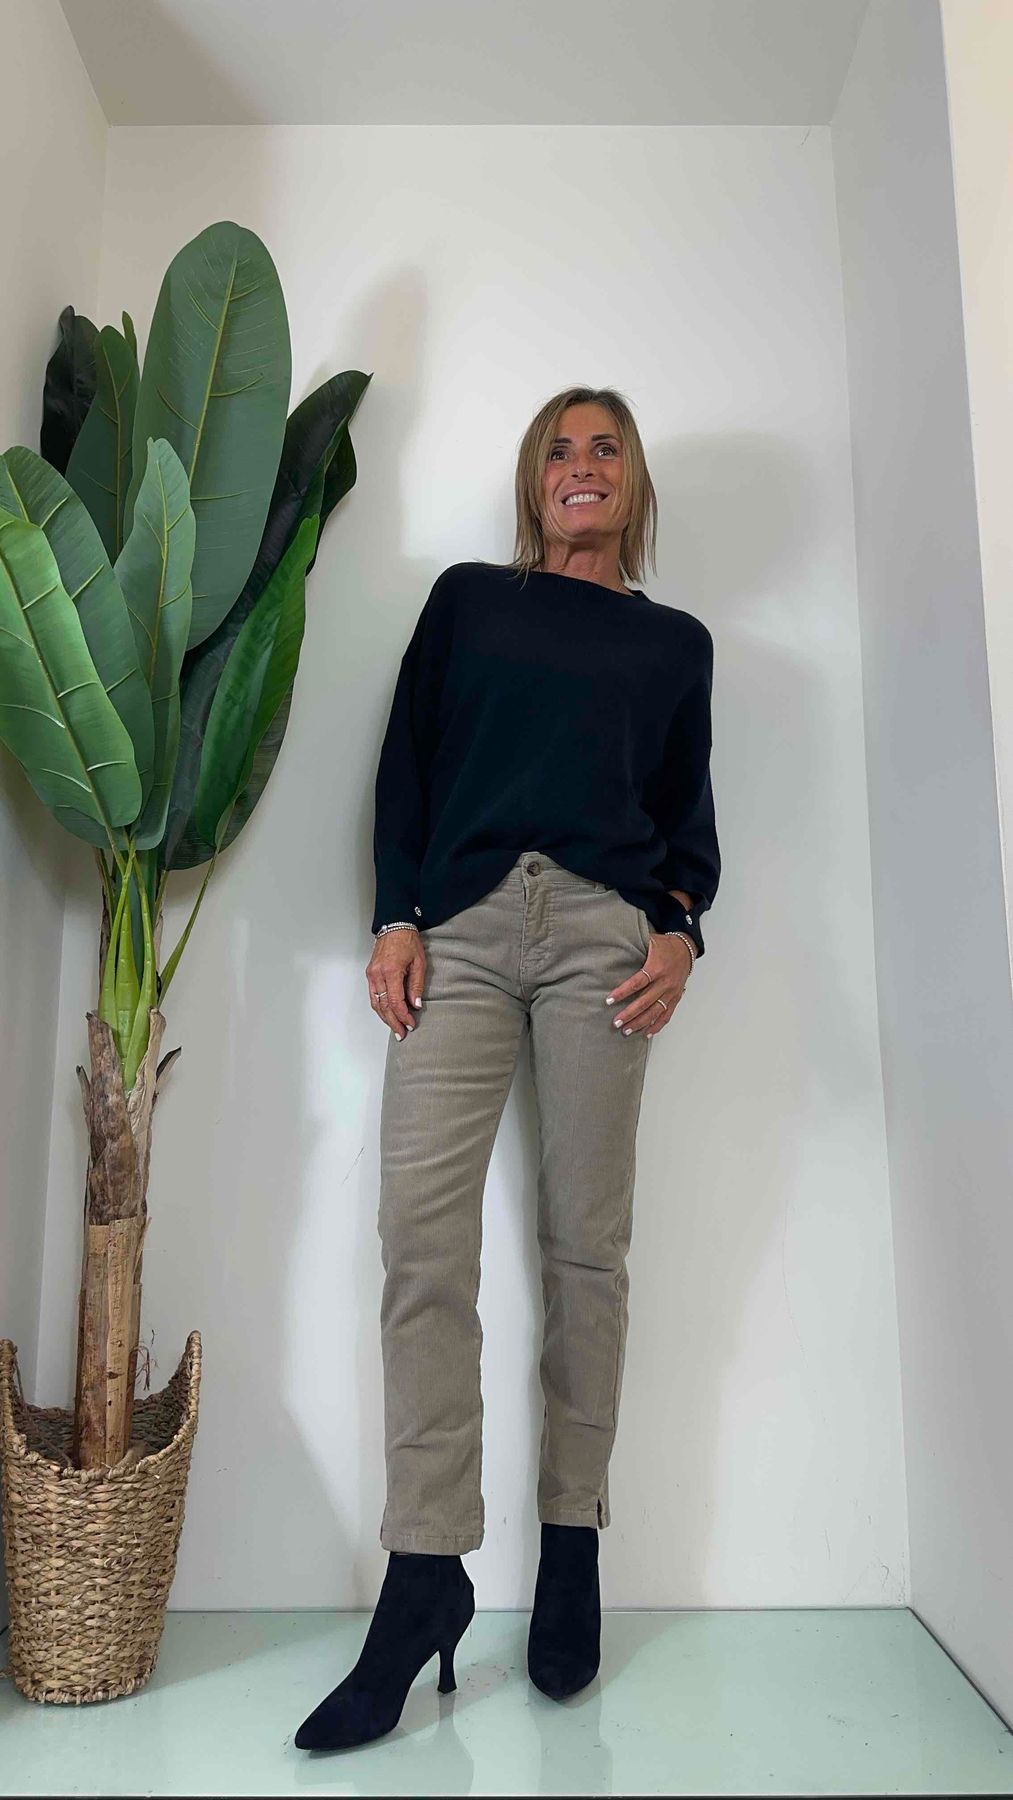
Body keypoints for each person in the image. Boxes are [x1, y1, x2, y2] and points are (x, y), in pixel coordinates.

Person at [295, 385, 720, 1752]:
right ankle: (425, 1569)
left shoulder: (674, 645)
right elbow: (406, 766)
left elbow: (686, 825)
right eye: (558, 449)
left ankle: (572, 1543)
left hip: (605, 939)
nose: (580, 466)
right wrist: (395, 915)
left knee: (586, 1251)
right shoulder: (469, 602)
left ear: (632, 484)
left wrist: (682, 934)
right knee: (421, 1241)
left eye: (605, 449)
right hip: (465, 934)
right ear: (534, 483)